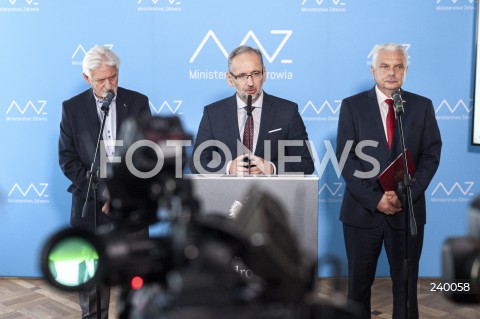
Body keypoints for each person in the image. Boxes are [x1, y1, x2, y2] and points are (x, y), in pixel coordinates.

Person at [336, 43, 442, 319]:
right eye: (385, 66)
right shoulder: (352, 107)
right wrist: (376, 199)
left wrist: (406, 195)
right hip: (362, 213)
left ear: (406, 71)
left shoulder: (421, 106)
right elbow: (345, 160)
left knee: (406, 289)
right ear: (373, 71)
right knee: (358, 288)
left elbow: (431, 155)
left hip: (407, 213)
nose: (391, 72)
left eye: (398, 66)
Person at [58, 45, 151, 319]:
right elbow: (68, 160)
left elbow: (147, 155)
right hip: (91, 206)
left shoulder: (138, 102)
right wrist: (104, 193)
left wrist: (123, 193)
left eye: (113, 77)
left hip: (131, 207)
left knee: (136, 282)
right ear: (87, 79)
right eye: (100, 80)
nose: (108, 85)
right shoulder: (72, 109)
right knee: (93, 286)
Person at [189, 45, 314, 175]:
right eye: (242, 76)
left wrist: (272, 168)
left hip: (273, 193)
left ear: (264, 74)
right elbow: (197, 163)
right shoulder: (213, 113)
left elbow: (306, 163)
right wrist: (228, 168)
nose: (250, 83)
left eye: (255, 74)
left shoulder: (287, 111)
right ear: (230, 79)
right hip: (227, 193)